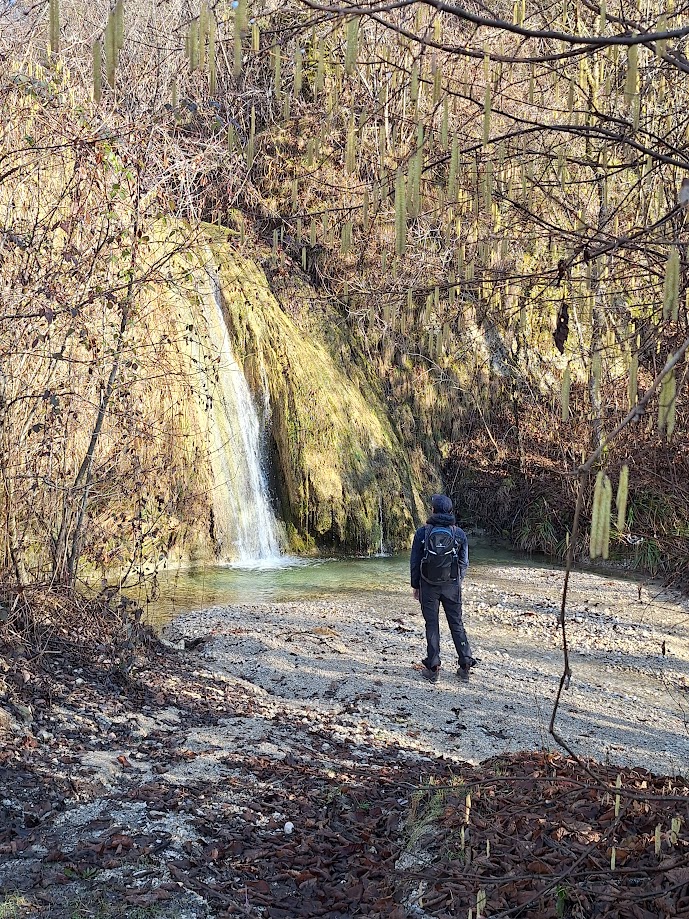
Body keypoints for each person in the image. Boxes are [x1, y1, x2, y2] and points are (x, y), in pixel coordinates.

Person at [410, 494, 475, 683]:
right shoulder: (459, 533)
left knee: (432, 625)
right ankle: (465, 665)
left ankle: (433, 667)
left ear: (432, 510)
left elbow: (415, 562)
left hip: (428, 585)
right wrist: (457, 581)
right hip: (451, 586)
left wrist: (416, 586)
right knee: (456, 623)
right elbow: (464, 562)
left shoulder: (423, 532)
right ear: (450, 511)